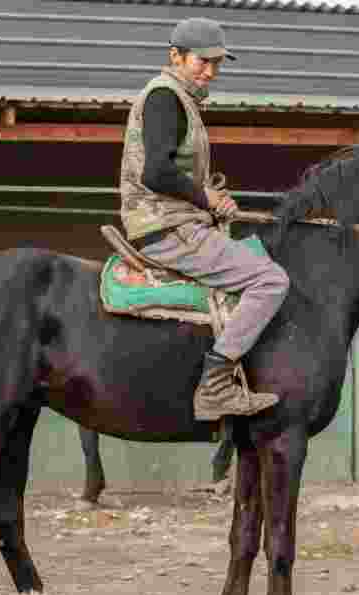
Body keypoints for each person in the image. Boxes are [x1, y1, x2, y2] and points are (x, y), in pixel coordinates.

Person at [118, 18, 289, 421]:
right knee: (271, 280)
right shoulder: (165, 97)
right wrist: (205, 197)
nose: (210, 71)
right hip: (166, 228)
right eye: (202, 61)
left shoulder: (180, 98)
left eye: (217, 64)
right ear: (175, 56)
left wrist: (209, 201)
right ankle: (214, 385)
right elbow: (156, 172)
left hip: (177, 219)